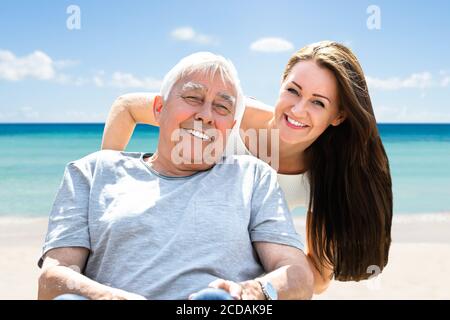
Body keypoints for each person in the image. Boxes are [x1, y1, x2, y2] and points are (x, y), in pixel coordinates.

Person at [101, 41, 393, 289]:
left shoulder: (326, 178)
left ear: (338, 116)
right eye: (293, 90)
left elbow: (317, 277)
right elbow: (126, 107)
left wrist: (256, 274)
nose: (298, 109)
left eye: (318, 102)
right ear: (280, 86)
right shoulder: (228, 114)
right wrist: (104, 193)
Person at [38, 52, 314, 300]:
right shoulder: (91, 171)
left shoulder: (253, 177)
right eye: (193, 98)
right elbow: (54, 278)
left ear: (230, 127)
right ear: (159, 108)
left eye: (222, 107)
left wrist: (251, 293)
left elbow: (297, 274)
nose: (206, 115)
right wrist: (110, 298)